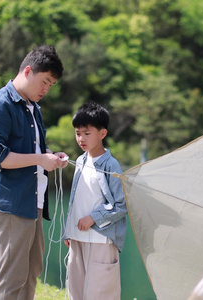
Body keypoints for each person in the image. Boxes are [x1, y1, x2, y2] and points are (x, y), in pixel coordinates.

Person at [0, 45, 68, 300]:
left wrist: (51, 155)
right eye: (45, 82)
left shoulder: (33, 108)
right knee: (12, 277)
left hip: (33, 202)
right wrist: (40, 159)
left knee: (31, 272)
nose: (46, 90)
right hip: (11, 203)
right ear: (28, 71)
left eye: (51, 86)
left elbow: (33, 149)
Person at [63, 102, 128, 300]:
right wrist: (68, 230)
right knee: (75, 289)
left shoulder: (111, 164)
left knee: (101, 292)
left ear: (102, 133)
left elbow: (121, 205)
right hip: (77, 236)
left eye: (86, 133)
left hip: (101, 237)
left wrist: (93, 217)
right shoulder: (80, 160)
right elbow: (76, 199)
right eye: (77, 133)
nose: (81, 138)